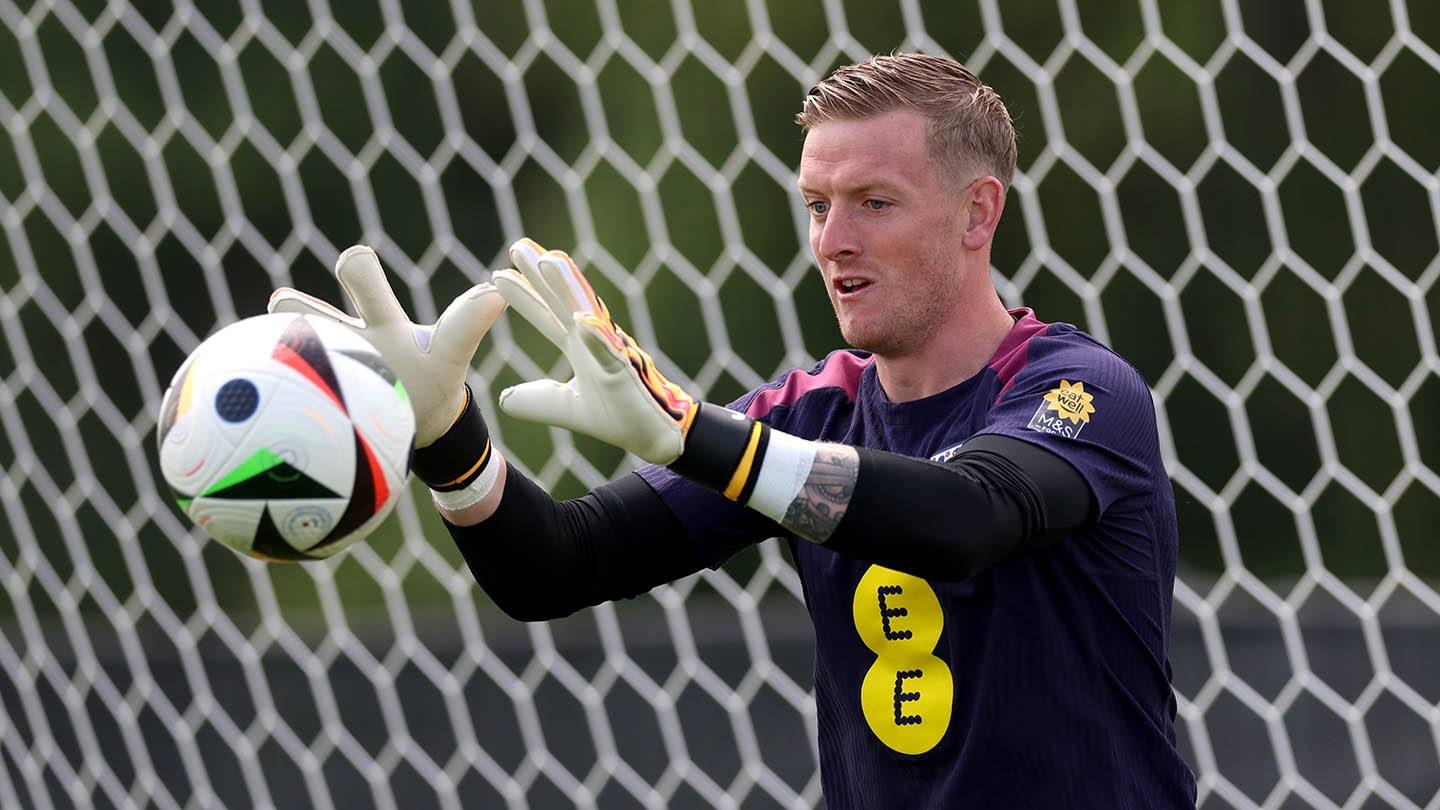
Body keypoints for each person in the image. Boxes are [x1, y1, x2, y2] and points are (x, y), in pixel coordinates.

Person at [271, 53, 1197, 809]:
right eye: (818, 205)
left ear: (978, 212)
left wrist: (693, 435)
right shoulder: (808, 414)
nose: (833, 240)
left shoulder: (1081, 389)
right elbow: (554, 565)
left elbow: (967, 519)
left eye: (874, 202)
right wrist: (445, 434)